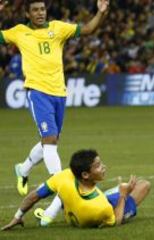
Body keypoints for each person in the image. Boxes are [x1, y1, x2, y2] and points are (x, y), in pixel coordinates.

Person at [0, 0, 109, 226]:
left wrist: (100, 12)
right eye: (35, 10)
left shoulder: (58, 28)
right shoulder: (19, 32)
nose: (40, 13)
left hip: (59, 93)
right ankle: (58, 198)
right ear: (28, 14)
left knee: (51, 140)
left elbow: (88, 29)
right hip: (37, 92)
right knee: (50, 141)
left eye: (42, 9)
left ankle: (23, 168)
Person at [1, 149, 151, 230]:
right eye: (98, 165)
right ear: (85, 174)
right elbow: (115, 221)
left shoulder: (63, 176)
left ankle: (49, 214)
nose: (103, 167)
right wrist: (123, 196)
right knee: (144, 185)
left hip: (76, 209)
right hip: (98, 211)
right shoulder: (100, 206)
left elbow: (33, 196)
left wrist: (17, 216)